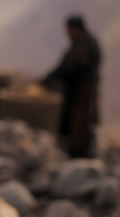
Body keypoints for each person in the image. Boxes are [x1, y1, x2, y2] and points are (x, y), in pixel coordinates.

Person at [42, 15, 101, 158]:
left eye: (68, 29)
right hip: (78, 89)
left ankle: (80, 152)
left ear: (75, 29)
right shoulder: (82, 43)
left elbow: (72, 67)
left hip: (82, 91)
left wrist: (52, 77)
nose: (67, 33)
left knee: (80, 120)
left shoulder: (85, 45)